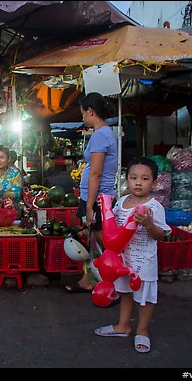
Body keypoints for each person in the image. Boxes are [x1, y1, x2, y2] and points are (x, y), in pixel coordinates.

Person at [93, 156, 171, 354]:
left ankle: (142, 331)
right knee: (126, 293)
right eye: (133, 177)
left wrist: (149, 224)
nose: (138, 182)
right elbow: (113, 229)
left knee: (144, 298)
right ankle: (123, 326)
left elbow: (160, 235)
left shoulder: (154, 207)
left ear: (154, 182)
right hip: (123, 261)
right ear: (126, 179)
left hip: (143, 262)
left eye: (145, 179)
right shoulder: (121, 202)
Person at [66, 92, 117, 294]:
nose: (82, 118)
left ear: (91, 111)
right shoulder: (103, 133)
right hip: (95, 197)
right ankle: (88, 280)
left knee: (103, 242)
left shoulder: (101, 135)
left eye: (83, 113)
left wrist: (89, 207)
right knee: (93, 241)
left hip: (97, 199)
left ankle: (114, 282)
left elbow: (95, 172)